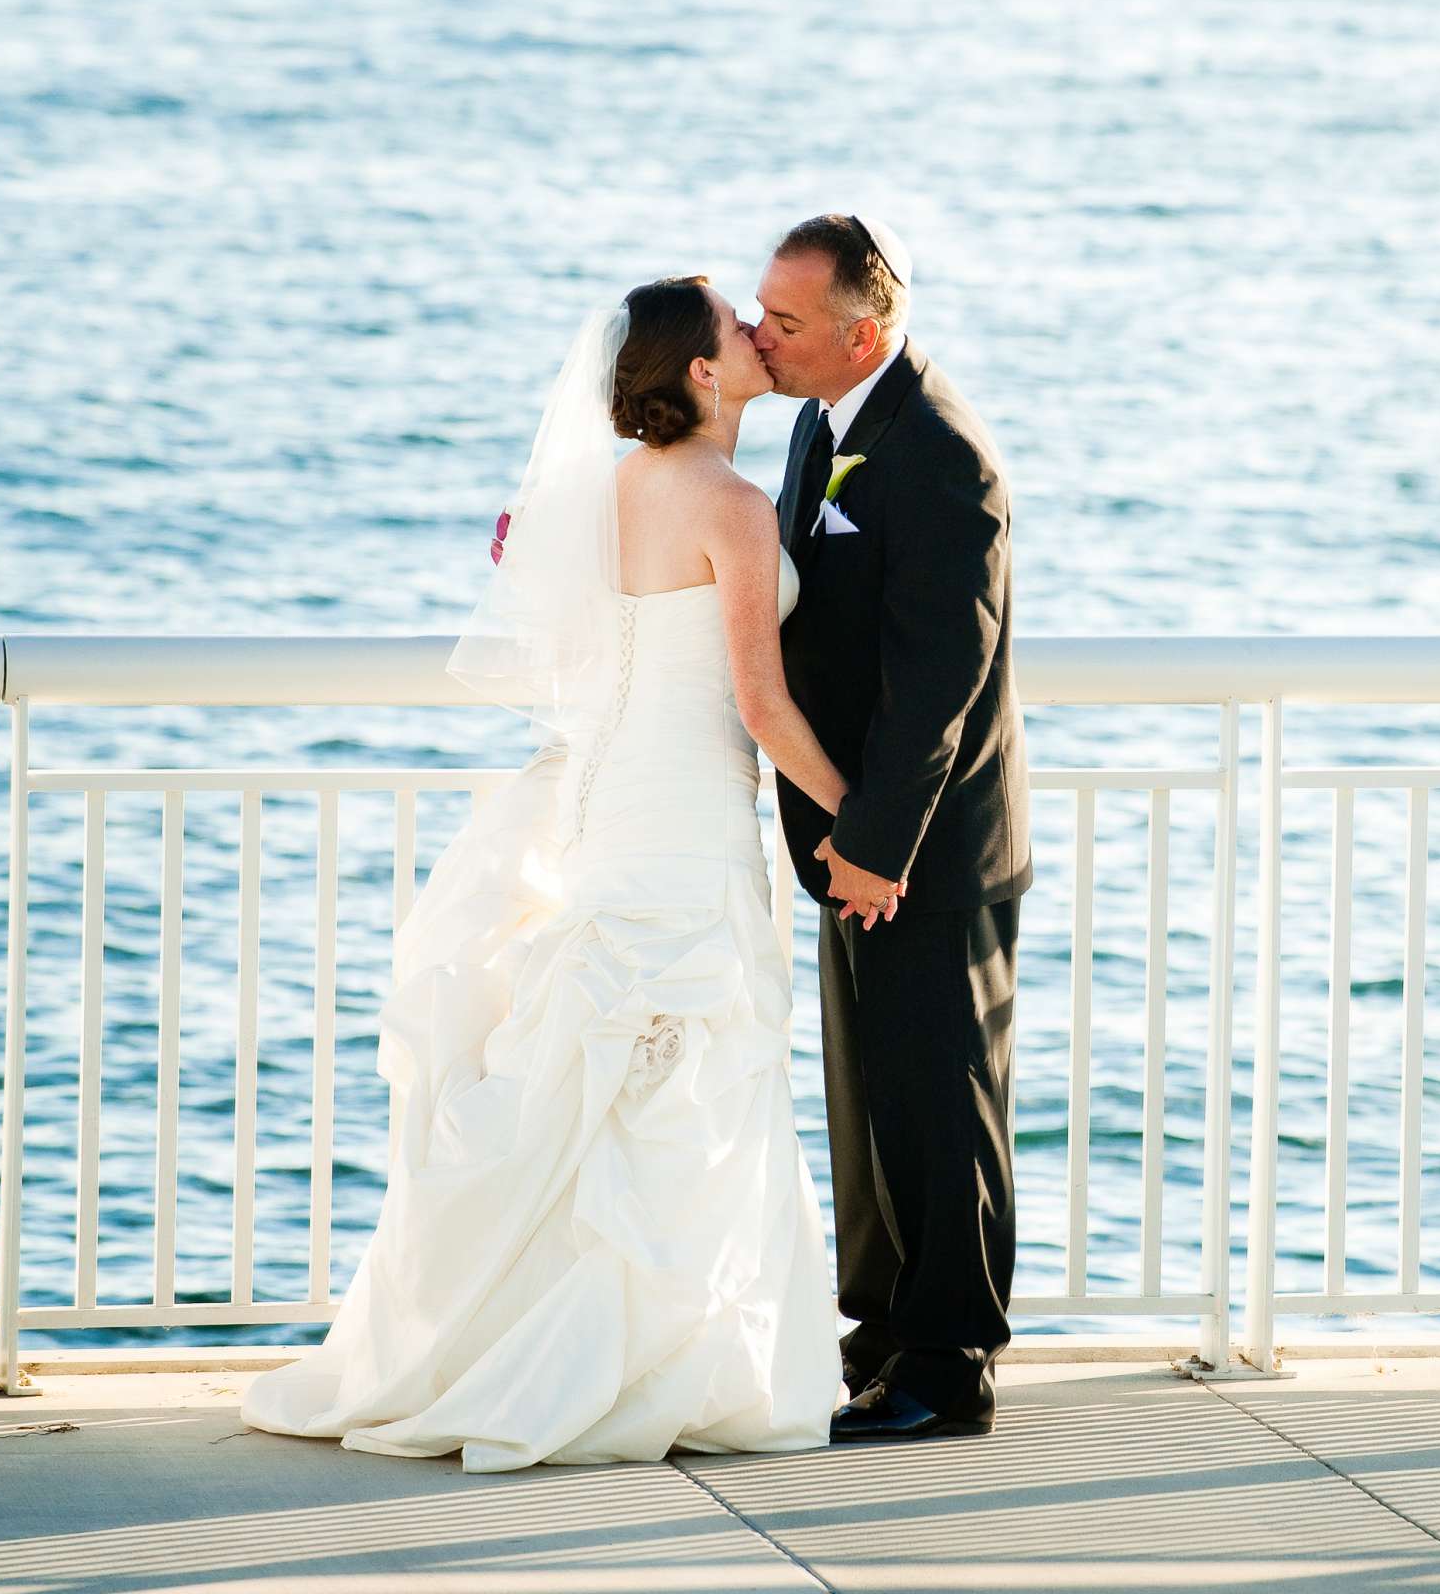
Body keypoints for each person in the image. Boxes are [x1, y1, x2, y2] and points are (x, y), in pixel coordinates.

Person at [240, 277, 850, 1471]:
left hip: (609, 806)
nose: (757, 335)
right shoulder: (728, 504)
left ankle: (537, 1347)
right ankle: (651, 1369)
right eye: (737, 325)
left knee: (600, 1075)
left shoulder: (602, 491)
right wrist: (866, 819)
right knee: (681, 1081)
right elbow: (763, 707)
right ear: (699, 374)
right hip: (683, 817)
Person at [756, 215, 1033, 1441]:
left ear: (862, 332)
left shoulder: (939, 453)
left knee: (941, 1096)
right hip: (848, 835)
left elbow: (941, 677)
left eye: (787, 322)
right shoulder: (824, 423)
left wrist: (876, 841)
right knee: (870, 1098)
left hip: (921, 846)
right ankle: (881, 1336)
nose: (765, 337)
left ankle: (949, 1362)